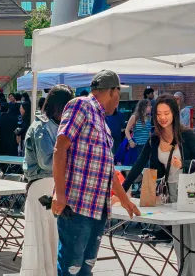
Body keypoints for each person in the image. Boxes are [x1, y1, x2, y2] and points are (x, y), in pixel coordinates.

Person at [52, 71, 140, 276]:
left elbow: (108, 169)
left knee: (86, 267)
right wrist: (60, 193)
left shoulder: (103, 122)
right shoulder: (81, 105)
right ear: (113, 91)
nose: (119, 102)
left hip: (98, 208)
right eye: (119, 94)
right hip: (77, 205)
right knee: (71, 269)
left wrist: (124, 199)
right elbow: (60, 148)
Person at [124, 95, 195, 276]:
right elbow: (139, 164)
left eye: (167, 113)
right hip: (170, 193)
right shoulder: (154, 139)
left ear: (174, 114)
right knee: (180, 241)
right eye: (159, 113)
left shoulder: (187, 134)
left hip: (192, 190)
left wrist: (184, 164)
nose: (163, 117)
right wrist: (122, 191)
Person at [22, 84, 75, 276]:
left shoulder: (54, 125)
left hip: (53, 185)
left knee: (54, 239)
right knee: (45, 239)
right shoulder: (41, 126)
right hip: (43, 185)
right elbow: (46, 162)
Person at [124, 98, 152, 166]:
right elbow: (127, 130)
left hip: (147, 146)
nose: (151, 107)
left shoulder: (148, 118)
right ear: (144, 107)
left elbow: (148, 131)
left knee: (147, 166)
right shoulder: (135, 117)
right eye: (149, 105)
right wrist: (130, 141)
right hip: (137, 146)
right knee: (138, 166)